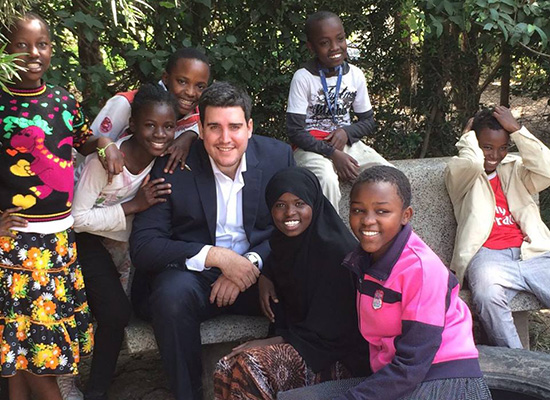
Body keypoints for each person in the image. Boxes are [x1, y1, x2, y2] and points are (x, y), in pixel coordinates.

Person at [129, 81, 295, 400]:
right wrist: (217, 257)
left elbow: (295, 227)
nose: (225, 138)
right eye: (214, 127)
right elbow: (145, 245)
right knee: (170, 296)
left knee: (301, 282)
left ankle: (280, 388)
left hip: (257, 274)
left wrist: (251, 264)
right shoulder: (173, 165)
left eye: (234, 126)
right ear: (200, 129)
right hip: (195, 277)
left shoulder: (277, 158)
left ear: (249, 127)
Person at [0, 12, 123, 400]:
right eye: (21, 45)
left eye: (42, 44)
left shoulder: (63, 100)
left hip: (58, 241)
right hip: (16, 245)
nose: (33, 53)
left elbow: (82, 139)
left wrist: (104, 144)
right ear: (5, 51)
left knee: (30, 351)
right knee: (30, 353)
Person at [303, 165, 491, 400]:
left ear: (406, 215)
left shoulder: (420, 269)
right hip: (396, 376)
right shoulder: (363, 261)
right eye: (358, 210)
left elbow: (413, 363)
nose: (367, 221)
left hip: (441, 378)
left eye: (382, 212)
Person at [213, 167, 369, 399]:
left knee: (249, 366)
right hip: (304, 343)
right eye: (280, 205)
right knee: (226, 367)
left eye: (299, 204)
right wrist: (266, 276)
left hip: (340, 356)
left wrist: (270, 342)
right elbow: (280, 263)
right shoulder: (284, 242)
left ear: (314, 205)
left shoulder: (336, 252)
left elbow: (333, 328)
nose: (289, 213)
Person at [72, 84, 176, 400]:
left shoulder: (162, 159)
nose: (160, 134)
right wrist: (133, 206)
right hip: (85, 241)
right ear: (131, 124)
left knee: (120, 311)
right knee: (114, 313)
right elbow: (76, 219)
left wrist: (186, 137)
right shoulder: (105, 162)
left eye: (168, 126)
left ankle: (98, 383)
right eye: (150, 125)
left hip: (124, 245)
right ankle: (91, 388)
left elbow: (192, 133)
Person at [445, 106, 550, 348]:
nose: (495, 155)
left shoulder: (514, 170)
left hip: (532, 253)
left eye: (502, 147)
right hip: (489, 257)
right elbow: (471, 163)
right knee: (487, 296)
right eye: (487, 147)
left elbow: (547, 169)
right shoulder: (462, 175)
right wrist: (468, 136)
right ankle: (520, 365)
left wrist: (518, 130)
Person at [286, 11, 389, 212]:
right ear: (311, 46)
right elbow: (295, 131)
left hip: (347, 144)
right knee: (326, 179)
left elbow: (368, 121)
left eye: (340, 39)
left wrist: (346, 133)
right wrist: (332, 153)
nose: (335, 47)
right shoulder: (303, 78)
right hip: (311, 148)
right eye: (324, 42)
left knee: (389, 177)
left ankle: (388, 237)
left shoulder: (355, 75)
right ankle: (329, 238)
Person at [90, 47, 210, 174]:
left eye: (200, 86)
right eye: (182, 81)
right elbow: (88, 145)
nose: (191, 93)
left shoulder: (197, 113)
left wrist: (190, 135)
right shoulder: (127, 104)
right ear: (165, 78)